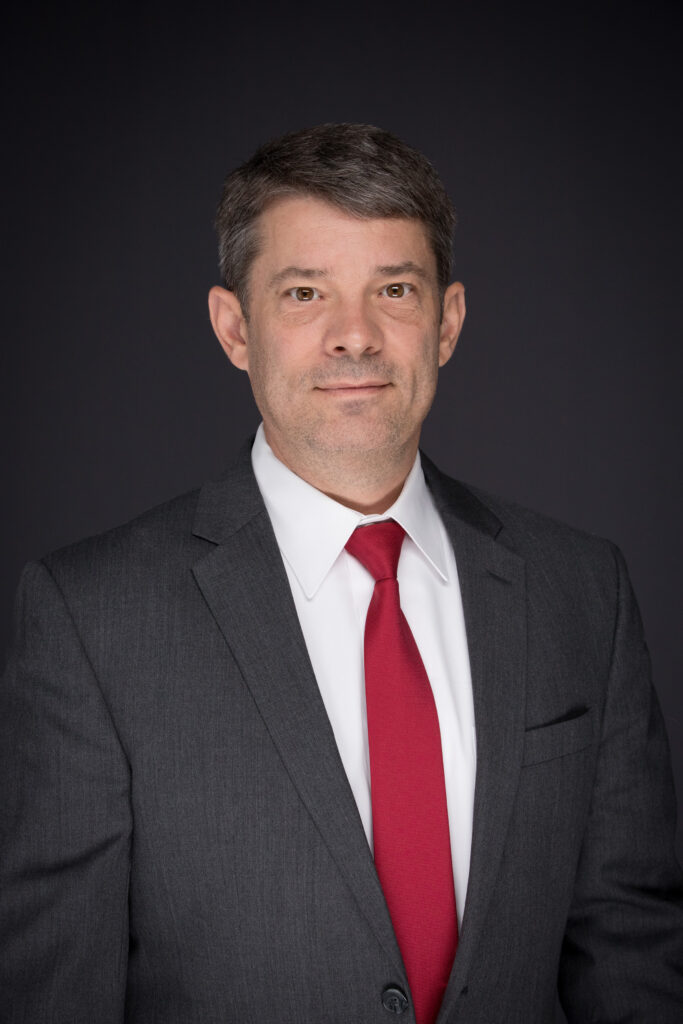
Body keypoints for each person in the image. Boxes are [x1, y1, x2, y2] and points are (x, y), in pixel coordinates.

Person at [1, 123, 681, 1024]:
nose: (353, 335)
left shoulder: (582, 590)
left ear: (447, 322)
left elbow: (633, 952)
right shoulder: (91, 617)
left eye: (393, 289)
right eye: (304, 292)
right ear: (234, 328)